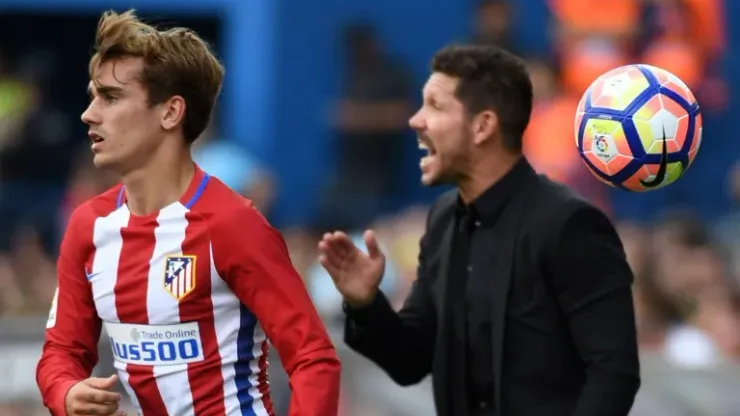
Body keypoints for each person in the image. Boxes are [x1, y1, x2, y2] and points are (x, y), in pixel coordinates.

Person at [36, 10, 340, 416]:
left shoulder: (233, 225)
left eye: (110, 97)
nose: (89, 113)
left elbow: (312, 357)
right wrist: (65, 392)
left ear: (170, 112)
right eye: (93, 96)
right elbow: (62, 350)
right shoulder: (89, 226)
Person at [319, 44, 640, 416]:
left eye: (435, 107)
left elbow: (613, 375)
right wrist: (365, 304)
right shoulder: (443, 222)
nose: (416, 120)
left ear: (483, 126)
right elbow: (410, 361)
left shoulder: (571, 225)